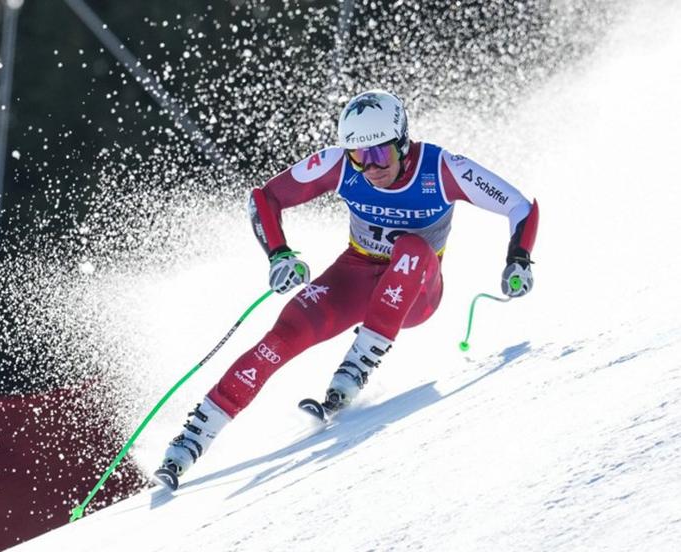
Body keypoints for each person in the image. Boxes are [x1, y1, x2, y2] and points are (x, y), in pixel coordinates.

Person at [153, 89, 539, 489]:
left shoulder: (442, 169)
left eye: (380, 154)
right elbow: (264, 198)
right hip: (355, 274)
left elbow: (520, 207)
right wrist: (279, 254)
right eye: (359, 156)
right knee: (283, 336)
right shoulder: (338, 165)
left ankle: (355, 369)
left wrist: (519, 259)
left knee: (411, 247)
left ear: (402, 142)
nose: (371, 167)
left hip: (417, 291)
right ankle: (191, 440)